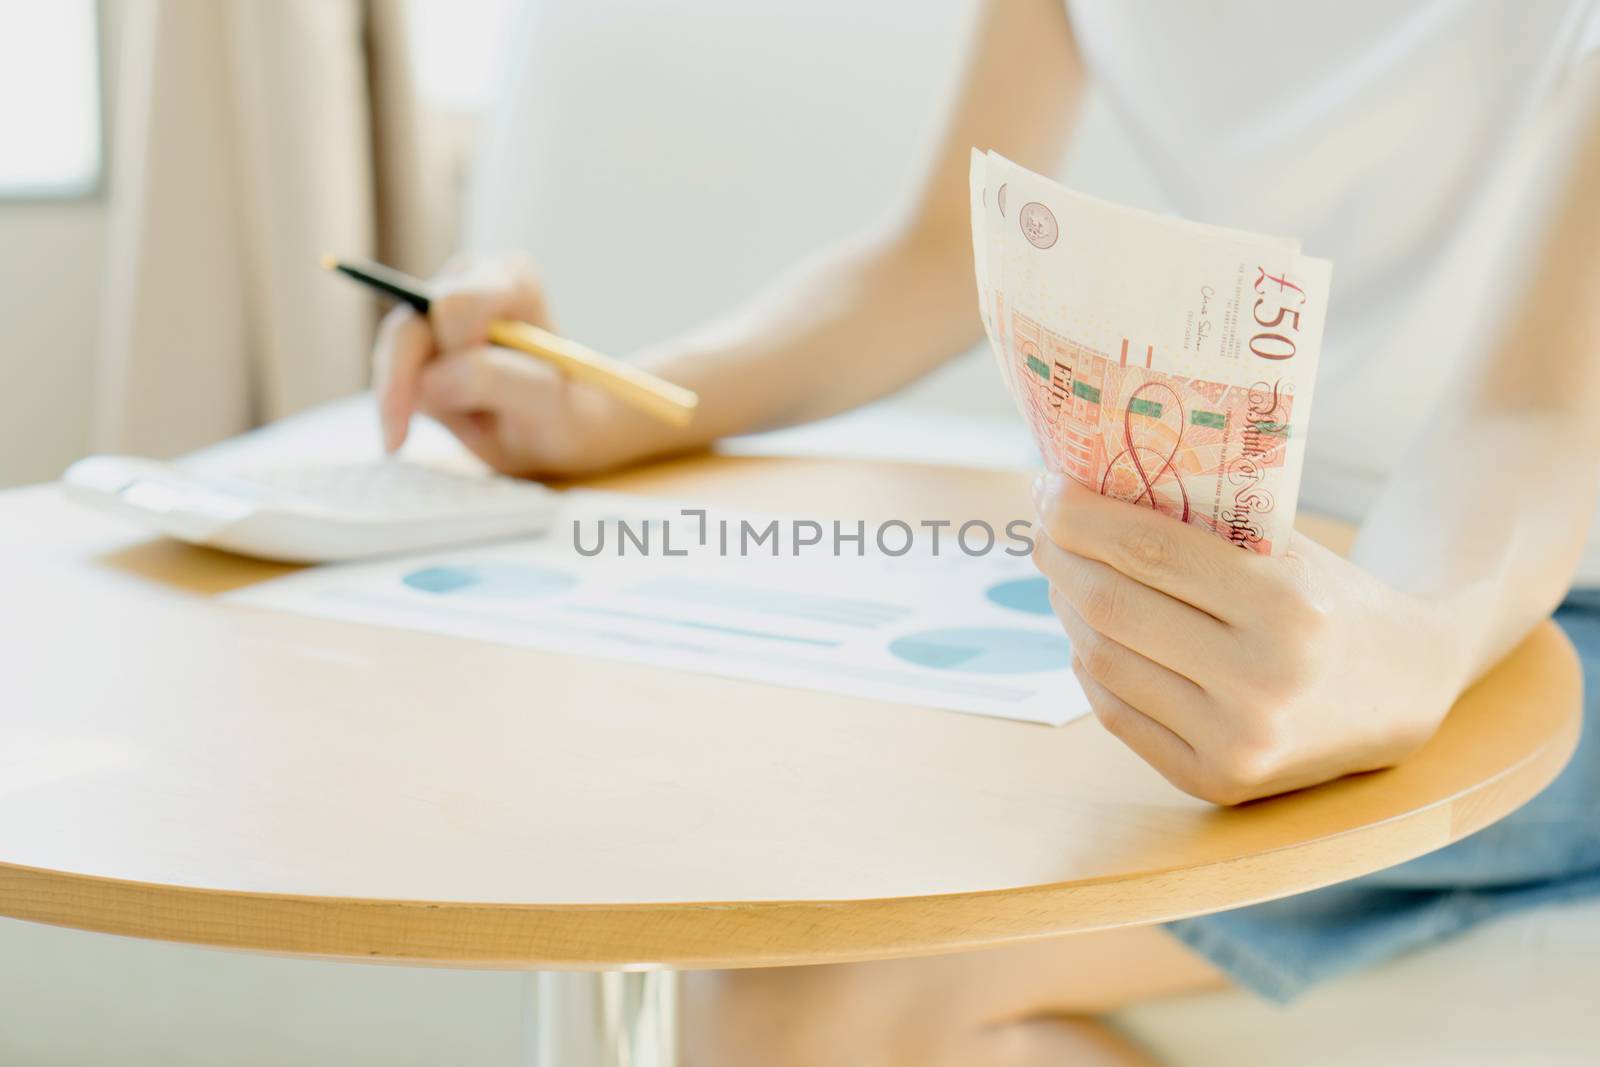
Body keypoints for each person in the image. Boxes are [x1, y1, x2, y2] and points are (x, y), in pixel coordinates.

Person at [372, 2, 1600, 1062]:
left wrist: (1410, 642)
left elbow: (1534, 415)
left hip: (1529, 612)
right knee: (783, 969)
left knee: (808, 1000)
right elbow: (931, 262)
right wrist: (627, 397)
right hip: (1243, 572)